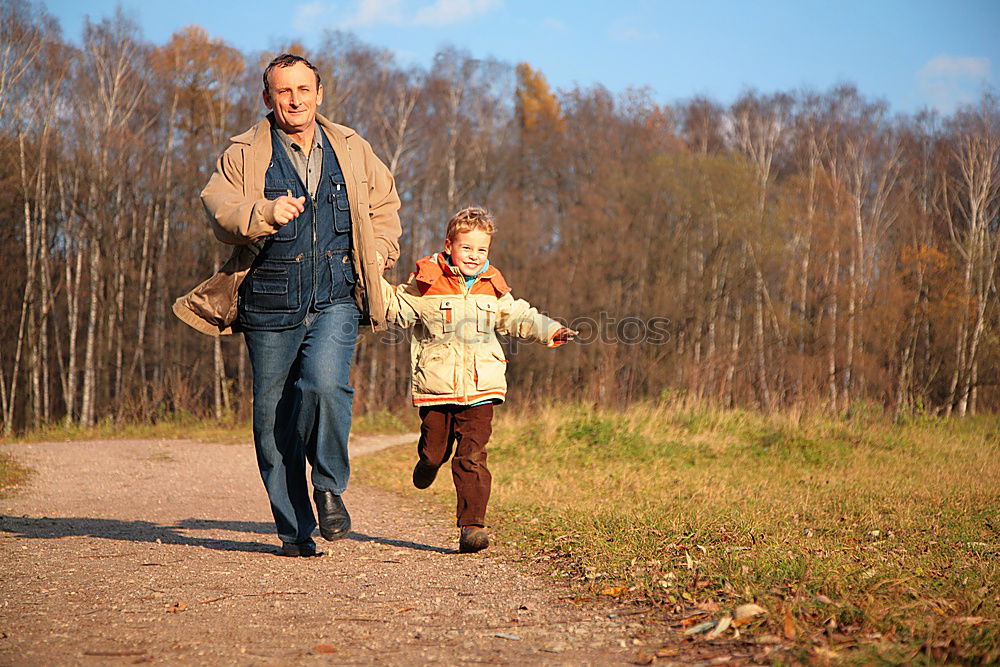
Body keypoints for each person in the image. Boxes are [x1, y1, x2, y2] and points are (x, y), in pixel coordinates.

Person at [173, 54, 402, 557]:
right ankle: (294, 530)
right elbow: (219, 208)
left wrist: (382, 252)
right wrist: (264, 211)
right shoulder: (244, 153)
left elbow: (385, 204)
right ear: (268, 98)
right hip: (269, 302)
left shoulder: (351, 147)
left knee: (325, 383)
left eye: (304, 89)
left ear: (320, 92)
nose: (295, 99)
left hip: (336, 294)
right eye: (284, 91)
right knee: (273, 418)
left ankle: (328, 485)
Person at [379, 207, 575, 553]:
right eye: (466, 248)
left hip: (483, 384)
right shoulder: (426, 281)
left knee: (472, 455)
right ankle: (428, 462)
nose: (474, 256)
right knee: (435, 448)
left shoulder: (492, 286)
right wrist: (370, 278)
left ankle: (472, 526)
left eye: (481, 250)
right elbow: (396, 307)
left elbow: (518, 315)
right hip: (437, 386)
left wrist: (550, 329)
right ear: (449, 245)